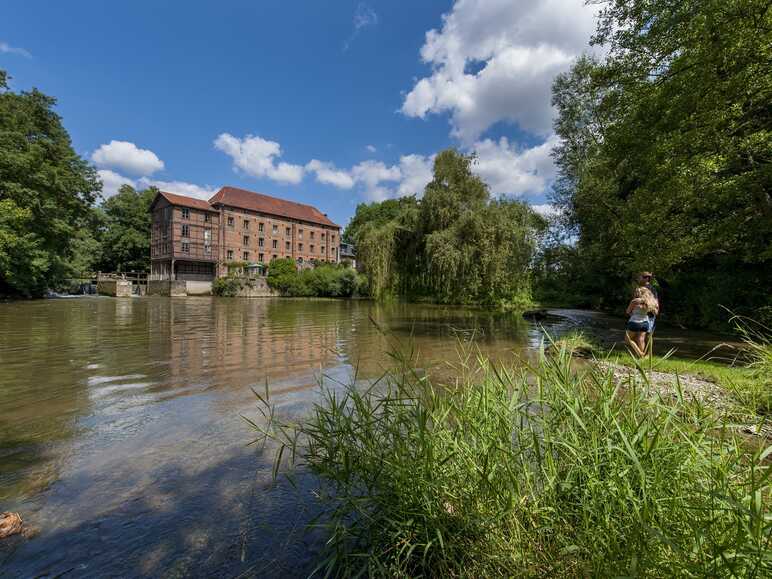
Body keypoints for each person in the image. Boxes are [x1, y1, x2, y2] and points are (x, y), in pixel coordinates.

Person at [625, 286, 658, 357]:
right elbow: (655, 312)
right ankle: (641, 357)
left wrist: (632, 313)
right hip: (645, 323)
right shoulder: (650, 302)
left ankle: (640, 353)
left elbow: (627, 311)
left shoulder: (635, 301)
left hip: (634, 322)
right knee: (641, 340)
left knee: (628, 340)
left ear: (639, 293)